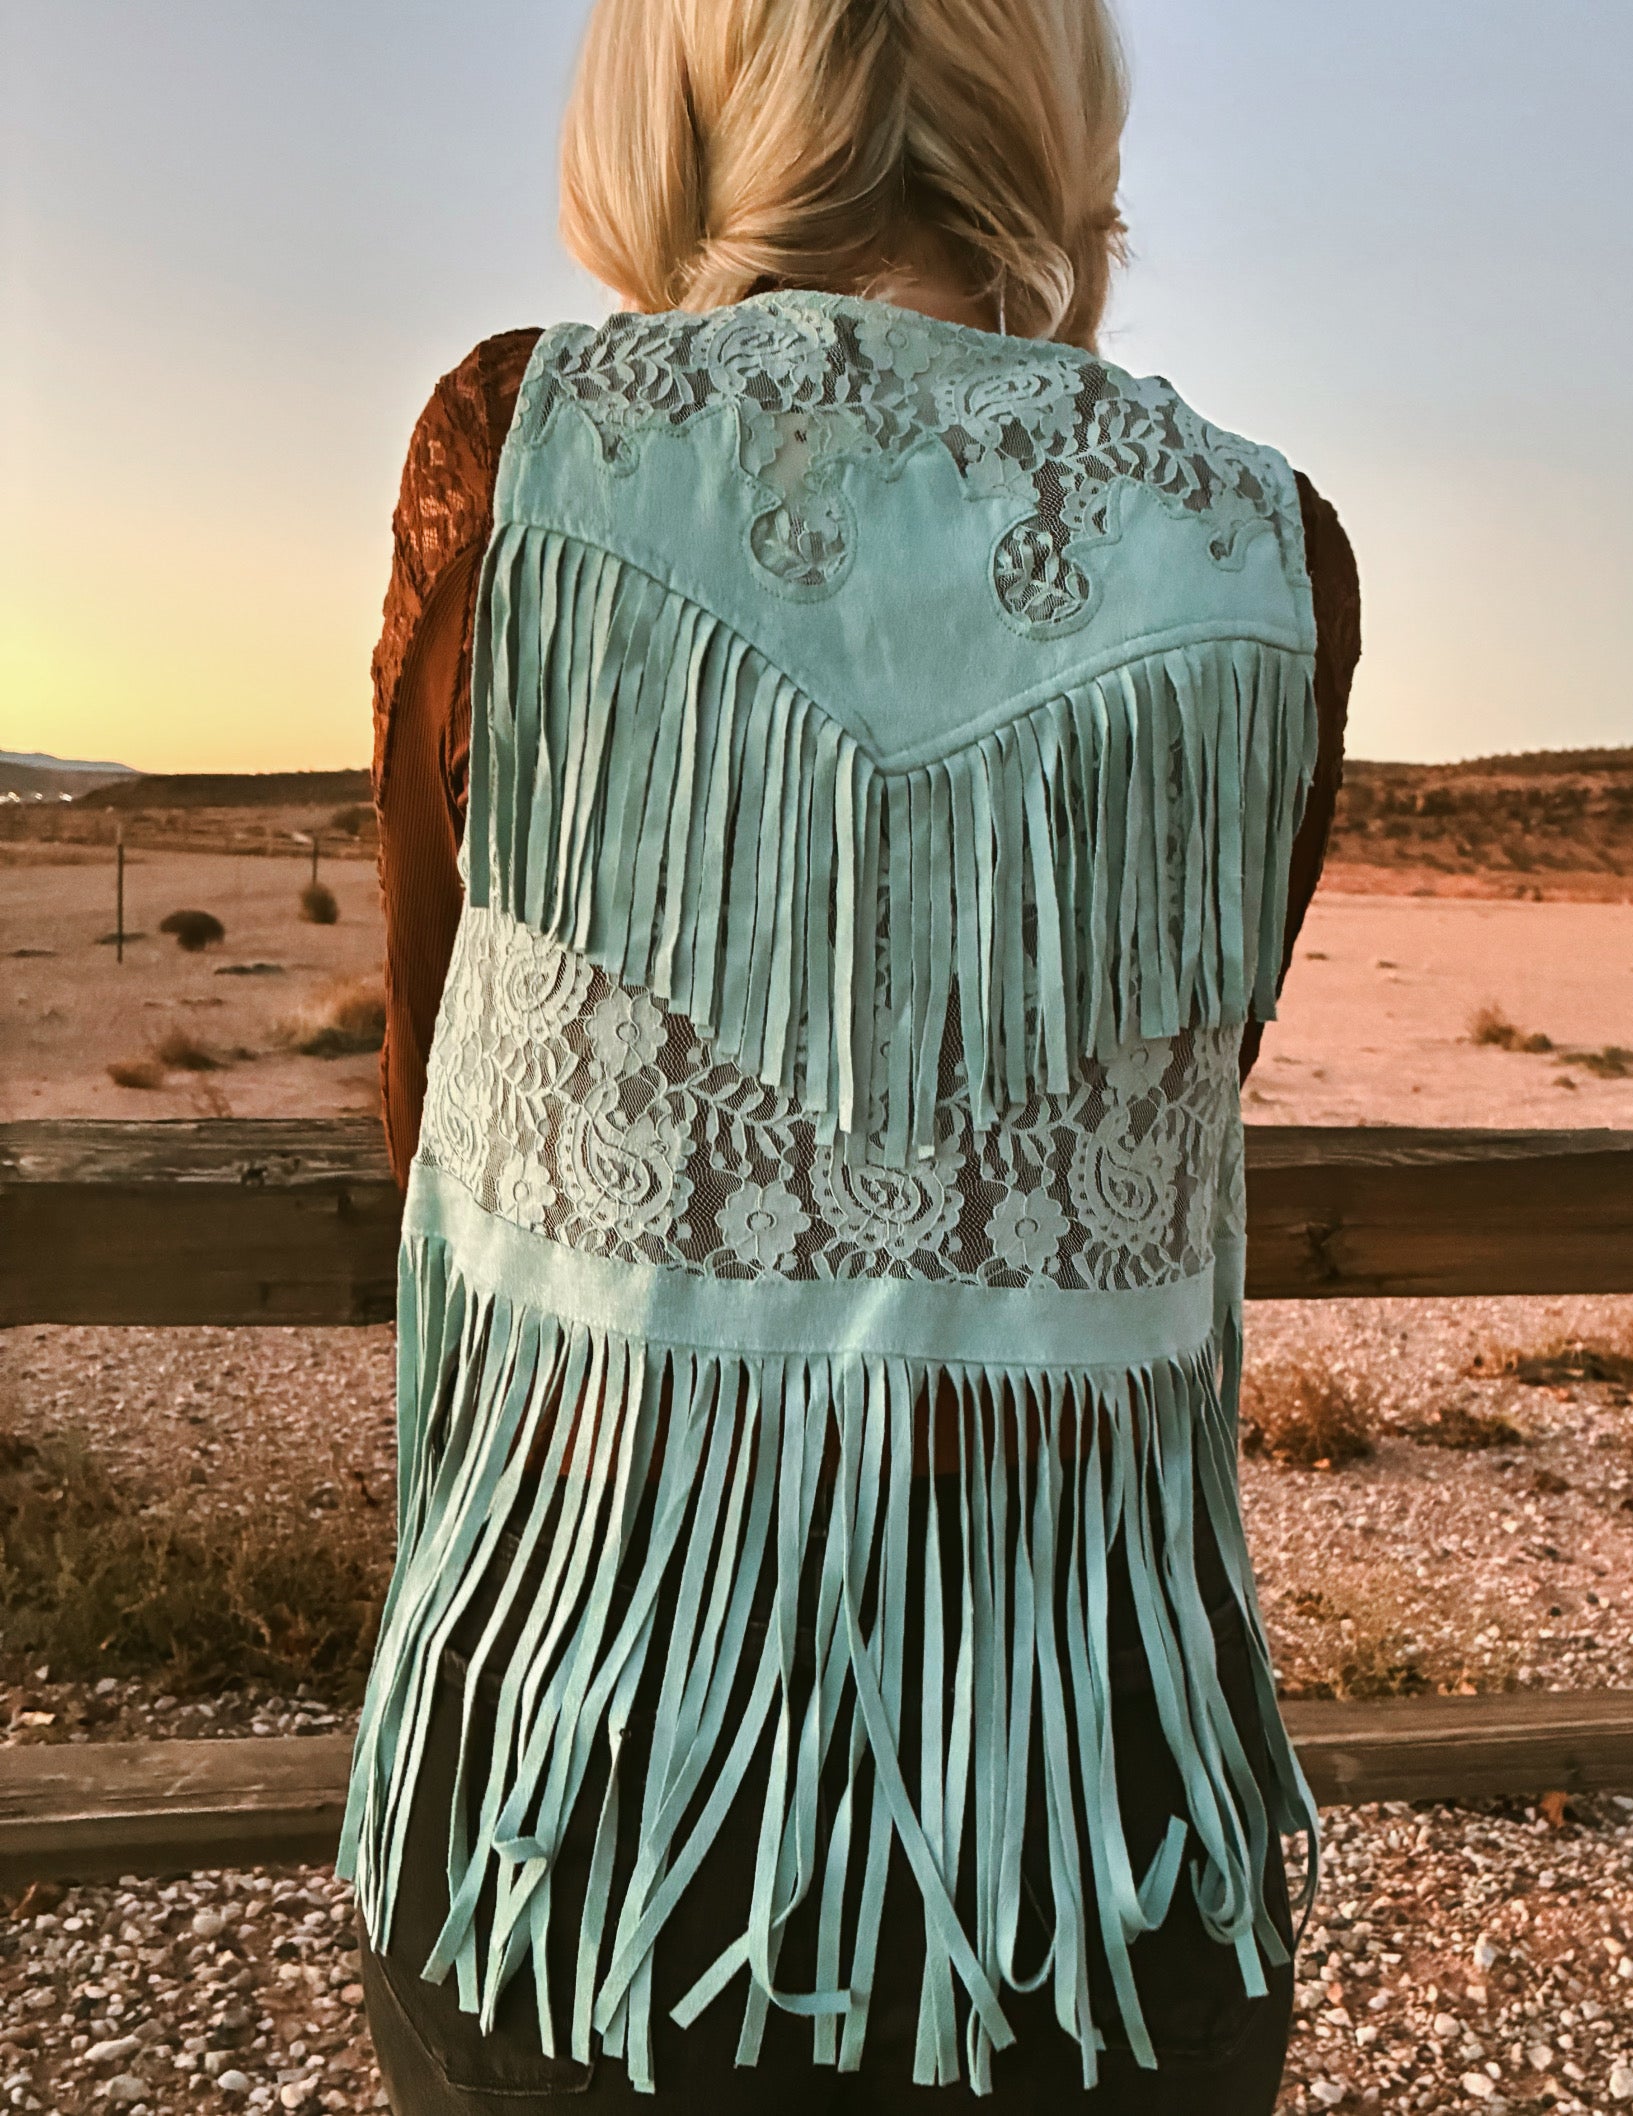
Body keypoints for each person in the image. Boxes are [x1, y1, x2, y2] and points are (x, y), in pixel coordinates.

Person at [349, 2, 1361, 2109]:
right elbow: (1192, 1053)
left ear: (681, 88)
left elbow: (423, 1081)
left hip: (575, 1814)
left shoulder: (522, 438)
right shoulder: (1270, 549)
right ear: (1056, 104)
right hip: (1085, 1850)